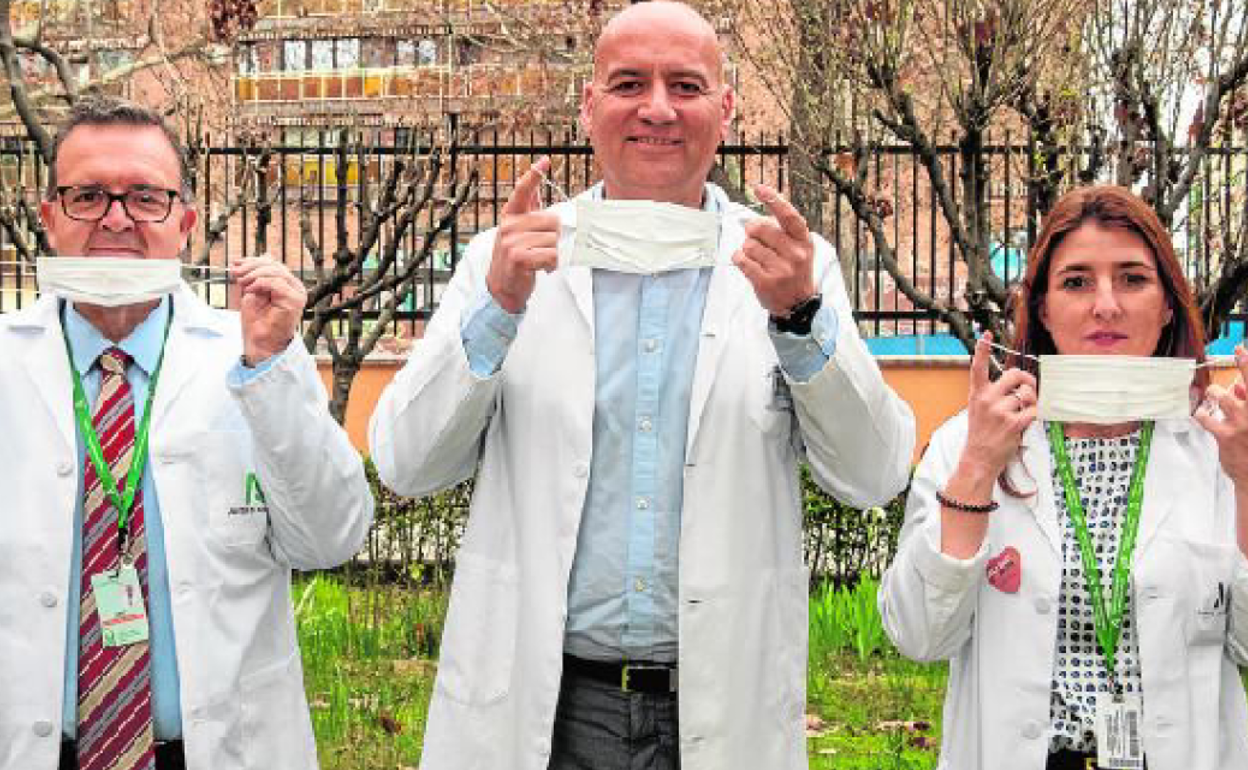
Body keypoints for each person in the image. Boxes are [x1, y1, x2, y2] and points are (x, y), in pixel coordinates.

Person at [368, 3, 915, 769]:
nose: (657, 108)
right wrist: (496, 310)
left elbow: (874, 474)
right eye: (629, 83)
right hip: (550, 705)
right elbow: (405, 461)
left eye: (685, 85)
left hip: (718, 705)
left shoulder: (793, 267)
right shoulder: (509, 260)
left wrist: (801, 318)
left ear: (726, 110)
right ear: (590, 106)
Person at [0, 97, 375, 770]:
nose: (116, 219)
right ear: (50, 218)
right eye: (88, 196)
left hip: (215, 750)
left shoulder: (249, 356)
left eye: (145, 197)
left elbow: (331, 537)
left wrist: (275, 370)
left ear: (186, 222)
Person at [879, 185, 1248, 769]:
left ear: (1169, 304)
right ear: (1045, 309)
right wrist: (976, 470)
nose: (1106, 305)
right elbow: (919, 636)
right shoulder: (971, 442)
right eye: (1076, 281)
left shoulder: (1221, 447)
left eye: (1132, 279)